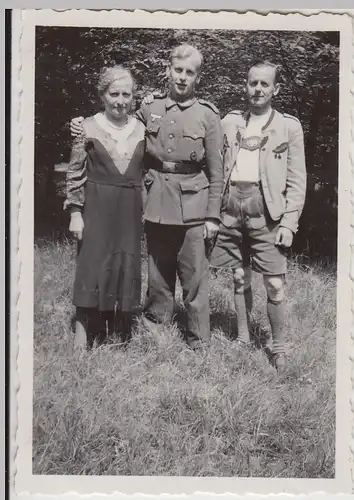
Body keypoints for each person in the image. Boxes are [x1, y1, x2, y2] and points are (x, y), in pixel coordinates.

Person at [70, 44, 224, 350]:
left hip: (194, 203)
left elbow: (217, 171)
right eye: (177, 70)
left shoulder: (208, 115)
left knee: (194, 276)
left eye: (189, 72)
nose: (182, 78)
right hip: (156, 201)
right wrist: (79, 124)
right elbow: (115, 123)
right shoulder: (150, 109)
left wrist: (213, 216)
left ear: (197, 77)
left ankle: (198, 341)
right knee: (158, 275)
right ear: (168, 71)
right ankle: (158, 332)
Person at [210, 60, 307, 372]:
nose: (258, 89)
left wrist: (289, 223)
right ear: (245, 86)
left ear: (275, 89)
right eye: (253, 83)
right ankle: (242, 337)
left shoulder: (289, 126)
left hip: (268, 212)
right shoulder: (230, 121)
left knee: (275, 284)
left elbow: (297, 181)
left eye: (265, 84)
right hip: (232, 207)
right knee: (239, 277)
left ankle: (278, 347)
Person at [65, 65, 145, 348]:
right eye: (114, 93)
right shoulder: (86, 127)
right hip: (96, 206)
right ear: (102, 95)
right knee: (92, 263)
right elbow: (75, 172)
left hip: (129, 209)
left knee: (125, 263)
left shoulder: (142, 129)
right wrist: (75, 212)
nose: (120, 100)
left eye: (126, 94)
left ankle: (122, 334)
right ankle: (83, 334)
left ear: (133, 97)